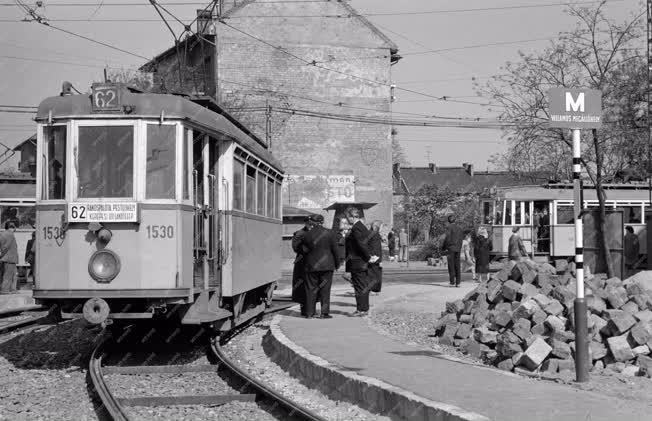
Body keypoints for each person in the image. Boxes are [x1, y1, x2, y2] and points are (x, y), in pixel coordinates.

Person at [301, 214, 340, 319]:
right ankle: (324, 313)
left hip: (311, 266)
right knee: (325, 290)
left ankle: (309, 313)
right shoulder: (330, 233)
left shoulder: (306, 235)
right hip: (327, 266)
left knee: (310, 289)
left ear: (312, 222)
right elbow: (335, 250)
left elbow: (304, 251)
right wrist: (337, 264)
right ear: (322, 222)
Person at [344, 206, 378, 316]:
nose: (346, 219)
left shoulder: (356, 228)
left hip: (358, 262)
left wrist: (368, 257)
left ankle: (362, 309)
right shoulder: (361, 226)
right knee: (362, 286)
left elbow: (361, 244)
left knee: (359, 286)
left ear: (351, 217)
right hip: (361, 261)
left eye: (347, 217)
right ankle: (363, 308)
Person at [291, 216, 312, 316]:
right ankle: (304, 310)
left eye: (312, 223)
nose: (310, 225)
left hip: (313, 263)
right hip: (302, 263)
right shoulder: (299, 233)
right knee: (302, 287)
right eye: (308, 223)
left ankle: (311, 309)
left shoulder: (316, 232)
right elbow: (296, 248)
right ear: (305, 223)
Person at [442, 215, 464, 287]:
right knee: (457, 265)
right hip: (458, 248)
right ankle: (458, 282)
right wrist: (460, 247)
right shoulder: (460, 228)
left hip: (451, 248)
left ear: (448, 221)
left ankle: (452, 281)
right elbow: (461, 239)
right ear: (455, 220)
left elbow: (447, 238)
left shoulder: (449, 228)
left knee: (451, 265)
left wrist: (444, 247)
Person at [0, 222, 18, 294]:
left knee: (14, 274)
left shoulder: (3, 234)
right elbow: (6, 247)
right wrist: (1, 255)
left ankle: (12, 289)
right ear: (12, 227)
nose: (15, 229)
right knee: (7, 275)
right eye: (14, 227)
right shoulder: (10, 234)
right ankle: (5, 290)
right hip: (9, 258)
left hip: (9, 258)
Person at [369, 221, 383, 294]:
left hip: (372, 257)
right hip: (375, 259)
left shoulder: (370, 233)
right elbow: (376, 248)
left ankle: (373, 289)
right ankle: (373, 289)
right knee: (375, 274)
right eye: (380, 227)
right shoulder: (375, 235)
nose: (381, 228)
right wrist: (379, 260)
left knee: (372, 273)